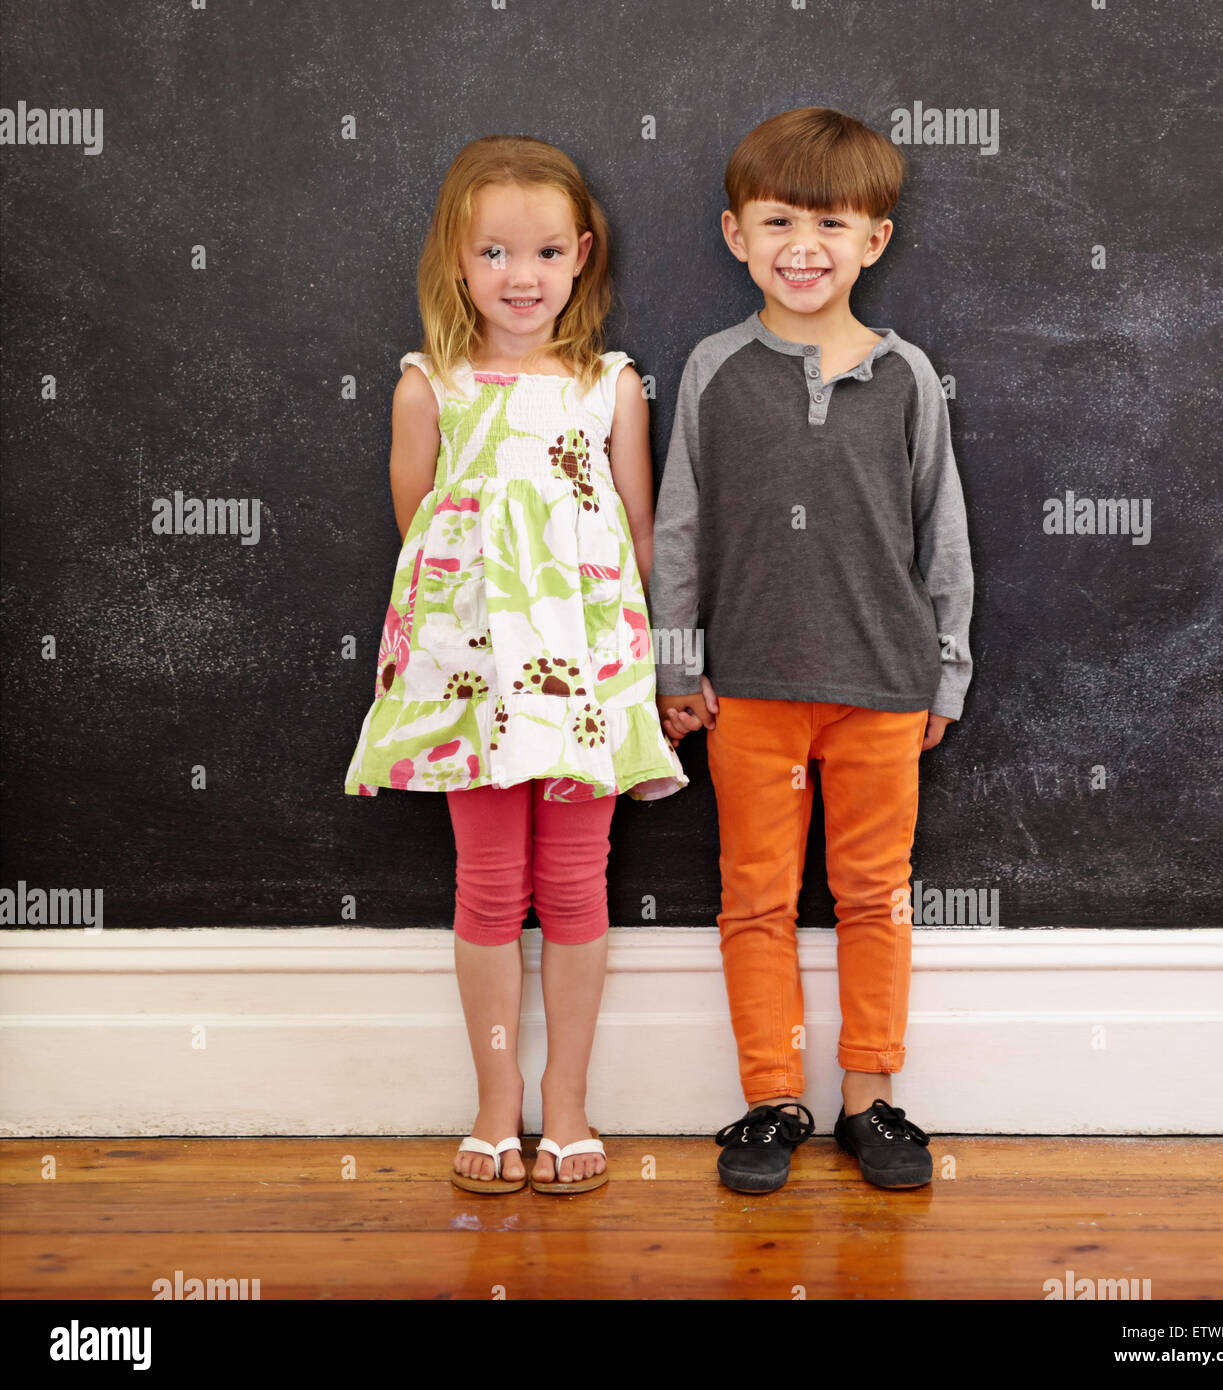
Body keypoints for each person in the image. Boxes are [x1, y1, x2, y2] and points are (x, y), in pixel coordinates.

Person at [345, 134, 687, 1194]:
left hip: (585, 678)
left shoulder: (610, 386)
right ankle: (498, 1106)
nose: (521, 277)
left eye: (543, 252)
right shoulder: (427, 385)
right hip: (472, 680)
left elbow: (637, 533)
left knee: (577, 883)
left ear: (581, 256)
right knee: (489, 888)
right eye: (494, 253)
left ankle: (570, 1104)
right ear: (456, 257)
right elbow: (423, 536)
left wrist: (652, 668)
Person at [649, 107, 974, 1193]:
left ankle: (870, 1098)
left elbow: (944, 535)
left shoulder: (908, 377)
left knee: (877, 894)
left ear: (873, 241)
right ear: (736, 233)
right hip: (748, 691)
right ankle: (769, 1100)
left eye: (831, 223)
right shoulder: (712, 370)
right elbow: (682, 525)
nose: (804, 244)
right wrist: (675, 665)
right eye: (779, 219)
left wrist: (949, 667)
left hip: (883, 686)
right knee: (758, 897)